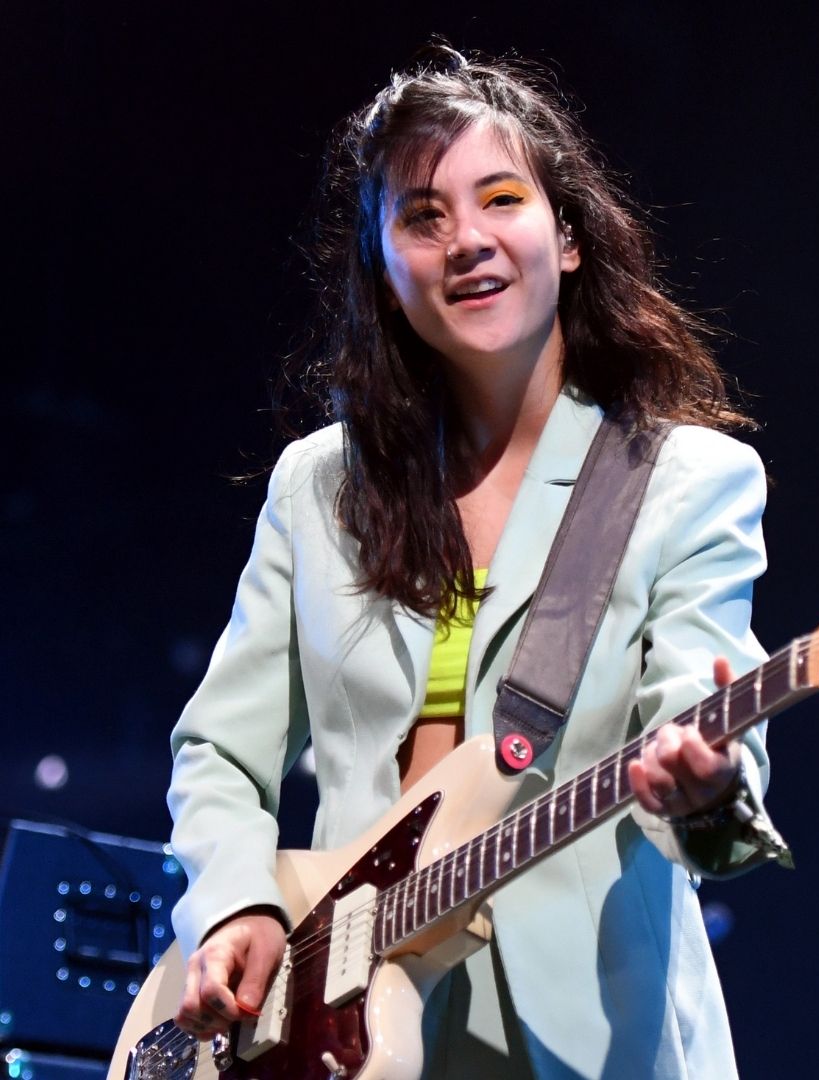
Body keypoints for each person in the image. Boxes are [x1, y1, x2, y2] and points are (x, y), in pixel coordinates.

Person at [163, 46, 787, 1078]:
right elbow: (219, 753)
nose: (468, 241)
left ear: (570, 237)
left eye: (501, 198)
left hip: (586, 1042)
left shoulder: (684, 481)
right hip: (342, 1033)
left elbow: (699, 715)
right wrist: (236, 902)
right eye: (423, 216)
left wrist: (707, 787)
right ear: (383, 266)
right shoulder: (316, 489)